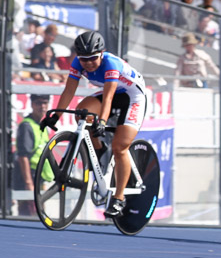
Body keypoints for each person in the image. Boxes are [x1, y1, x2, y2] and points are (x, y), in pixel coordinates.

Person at [40, 31, 148, 218]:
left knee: (120, 147)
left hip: (132, 97)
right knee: (82, 114)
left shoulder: (110, 64)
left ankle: (119, 198)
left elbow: (108, 99)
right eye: (83, 59)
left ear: (101, 53)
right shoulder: (77, 63)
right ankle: (99, 148)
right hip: (112, 94)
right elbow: (68, 91)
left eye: (92, 58)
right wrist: (55, 116)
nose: (88, 63)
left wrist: (103, 122)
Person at [13, 94, 53, 216]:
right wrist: (29, 184)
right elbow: (23, 156)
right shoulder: (27, 125)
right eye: (38, 103)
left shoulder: (42, 126)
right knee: (29, 215)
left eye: (45, 103)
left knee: (39, 213)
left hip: (38, 177)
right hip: (29, 176)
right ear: (32, 105)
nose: (42, 106)